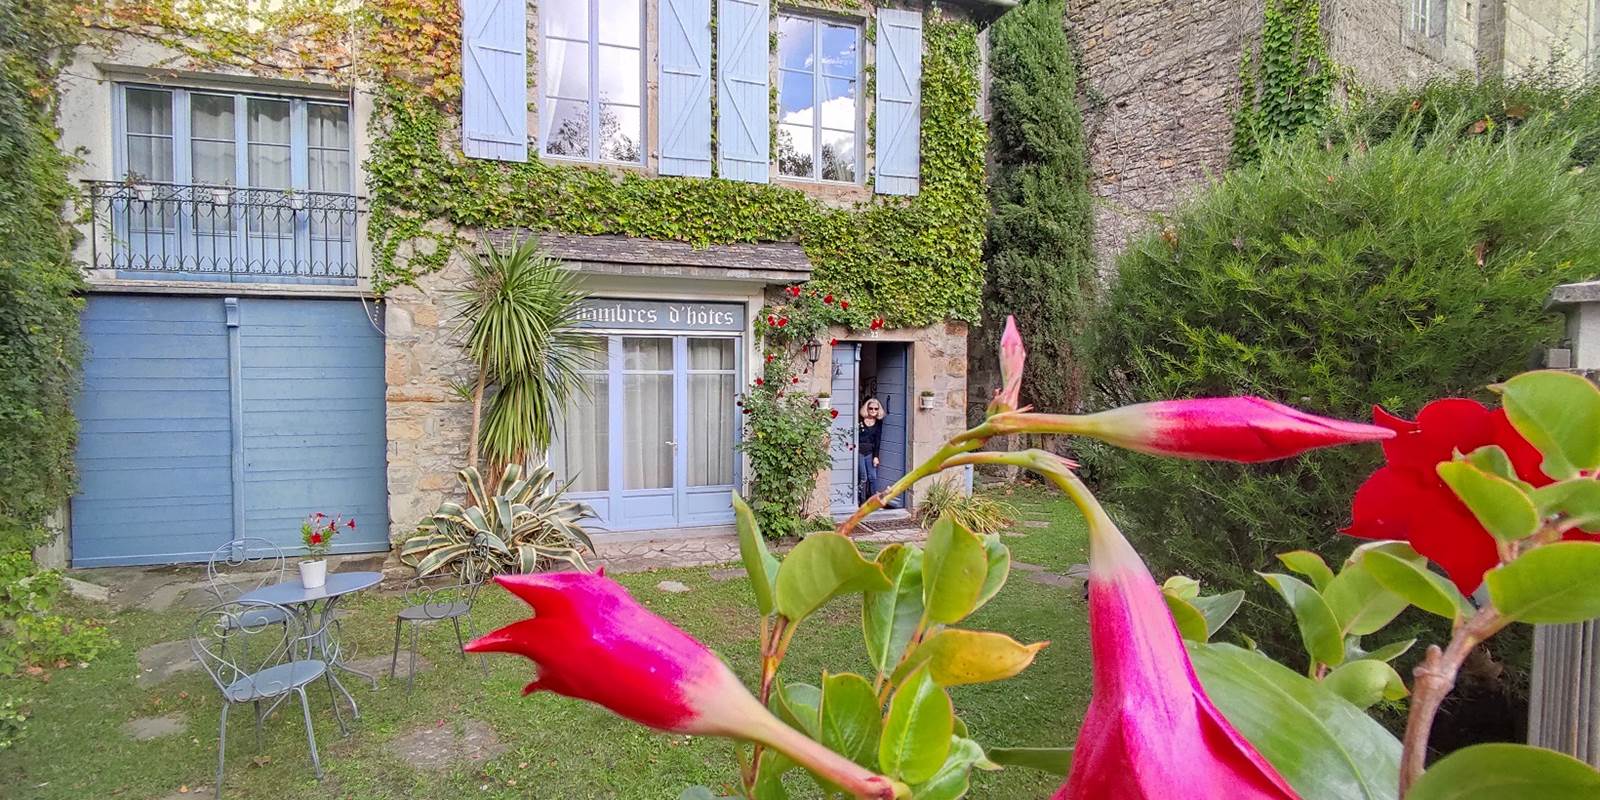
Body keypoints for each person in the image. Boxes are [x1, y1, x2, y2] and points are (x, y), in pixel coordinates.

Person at [858, 397, 885, 503]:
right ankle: (861, 501)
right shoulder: (860, 420)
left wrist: (876, 456)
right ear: (866, 409)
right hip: (859, 451)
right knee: (863, 477)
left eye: (876, 409)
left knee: (873, 477)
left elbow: (878, 441)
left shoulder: (878, 423)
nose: (873, 411)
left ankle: (874, 501)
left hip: (870, 452)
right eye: (871, 408)